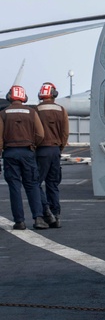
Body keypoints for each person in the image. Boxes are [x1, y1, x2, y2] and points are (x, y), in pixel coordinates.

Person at [0, 85, 46, 230]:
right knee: (32, 185)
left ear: (9, 97)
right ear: (24, 97)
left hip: (10, 153)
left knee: (14, 187)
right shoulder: (31, 112)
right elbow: (40, 134)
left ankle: (19, 221)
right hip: (27, 152)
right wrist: (32, 145)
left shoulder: (3, 113)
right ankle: (38, 218)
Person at [34, 82, 69, 228]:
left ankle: (46, 210)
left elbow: (34, 132)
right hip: (55, 150)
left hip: (40, 150)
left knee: (36, 183)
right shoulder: (61, 110)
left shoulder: (35, 110)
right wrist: (59, 148)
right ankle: (56, 214)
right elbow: (65, 133)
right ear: (54, 94)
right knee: (53, 184)